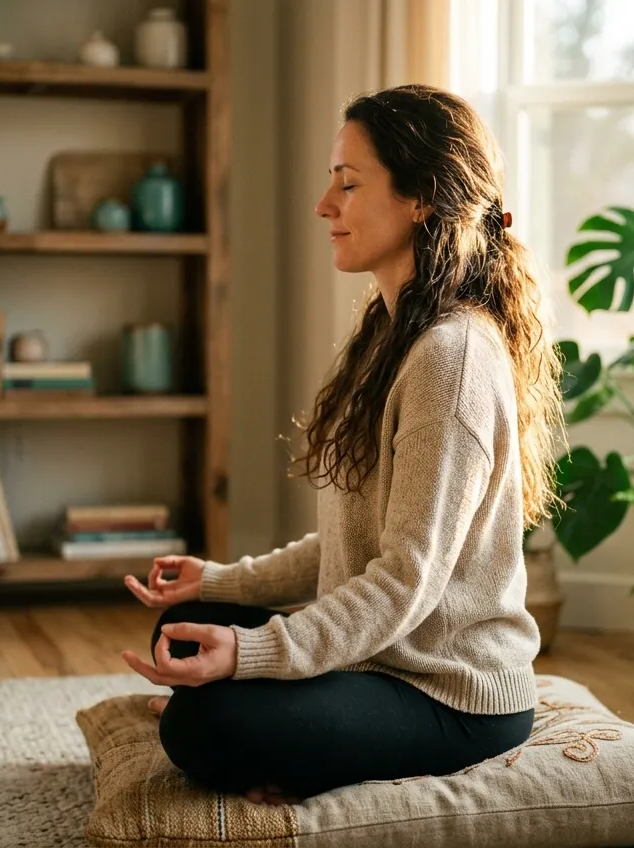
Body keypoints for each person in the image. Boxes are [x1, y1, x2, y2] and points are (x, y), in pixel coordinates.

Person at [120, 83, 565, 807]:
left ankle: (305, 758)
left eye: (348, 184)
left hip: (450, 693)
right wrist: (218, 583)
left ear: (422, 199)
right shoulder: (394, 336)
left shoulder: (451, 358)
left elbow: (404, 580)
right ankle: (294, 742)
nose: (324, 205)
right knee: (185, 629)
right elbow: (348, 548)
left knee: (201, 724)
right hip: (381, 655)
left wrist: (253, 656)